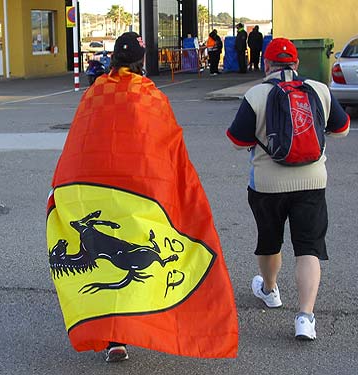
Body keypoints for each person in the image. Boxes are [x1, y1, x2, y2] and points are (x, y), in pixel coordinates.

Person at [47, 32, 238, 363]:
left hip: (97, 191)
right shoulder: (149, 95)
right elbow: (166, 145)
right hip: (140, 190)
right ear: (141, 59)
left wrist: (62, 188)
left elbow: (77, 144)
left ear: (115, 59)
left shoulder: (94, 93)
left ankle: (115, 339)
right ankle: (142, 324)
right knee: (132, 251)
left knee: (108, 258)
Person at [226, 38, 350, 340]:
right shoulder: (319, 90)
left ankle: (270, 291)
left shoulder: (256, 94)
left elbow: (237, 139)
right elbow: (342, 128)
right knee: (309, 247)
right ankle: (305, 318)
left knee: (270, 241)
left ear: (265, 64)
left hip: (267, 184)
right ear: (296, 64)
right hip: (312, 181)